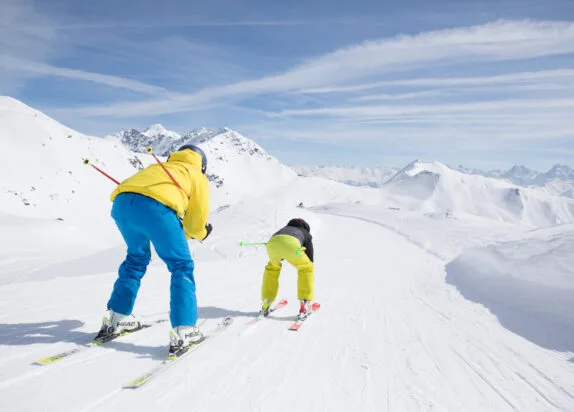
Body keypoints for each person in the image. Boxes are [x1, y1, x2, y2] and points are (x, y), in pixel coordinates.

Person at [95, 144, 212, 355]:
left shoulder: (160, 167)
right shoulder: (196, 174)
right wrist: (203, 233)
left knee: (136, 259)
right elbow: (195, 224)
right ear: (202, 165)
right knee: (181, 265)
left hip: (122, 204)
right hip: (157, 209)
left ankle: (117, 317)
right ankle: (185, 329)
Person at [261, 218, 315, 319]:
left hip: (272, 244)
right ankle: (305, 303)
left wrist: (283, 254)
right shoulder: (305, 232)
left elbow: (281, 247)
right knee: (306, 268)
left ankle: (266, 303)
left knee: (272, 269)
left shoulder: (284, 228)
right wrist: (309, 263)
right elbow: (309, 255)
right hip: (291, 245)